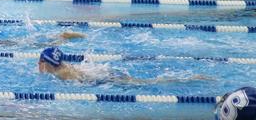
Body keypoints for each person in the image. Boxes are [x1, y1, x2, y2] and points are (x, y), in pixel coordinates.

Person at [38, 47, 210, 85]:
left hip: (105, 79)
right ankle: (188, 78)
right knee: (144, 81)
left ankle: (189, 79)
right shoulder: (62, 66)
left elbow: (83, 82)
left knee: (147, 83)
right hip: (102, 73)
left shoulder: (64, 74)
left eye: (40, 62)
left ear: (45, 63)